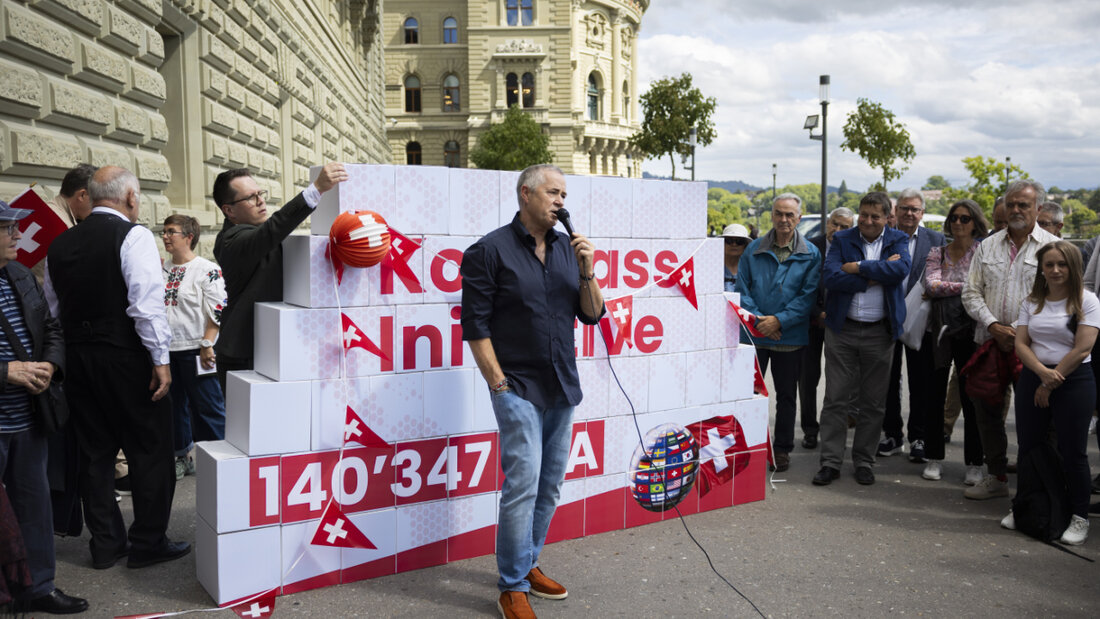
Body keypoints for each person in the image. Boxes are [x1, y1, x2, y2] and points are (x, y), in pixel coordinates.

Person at [460, 164, 605, 619]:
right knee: (522, 484)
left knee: (551, 483)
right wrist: (499, 385)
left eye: (564, 193)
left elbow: (592, 316)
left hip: (562, 383)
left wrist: (588, 271)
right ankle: (511, 585)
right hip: (517, 386)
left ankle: (527, 562)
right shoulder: (488, 251)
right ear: (526, 194)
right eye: (552, 192)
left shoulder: (567, 248)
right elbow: (475, 328)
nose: (561, 201)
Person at [43, 166, 189, 569]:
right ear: (129, 197)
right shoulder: (133, 235)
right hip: (125, 356)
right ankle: (148, 542)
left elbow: (52, 311)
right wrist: (160, 360)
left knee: (94, 454)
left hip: (78, 359)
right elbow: (145, 306)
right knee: (150, 450)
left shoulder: (60, 244)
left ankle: (106, 544)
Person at [0, 200, 88, 613]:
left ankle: (38, 588)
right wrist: (5, 372)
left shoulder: (19, 274)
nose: (17, 235)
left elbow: (51, 327)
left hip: (28, 418)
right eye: (7, 228)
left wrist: (50, 365)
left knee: (34, 508)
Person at [961, 179, 1059, 500]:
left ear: (1038, 209)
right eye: (1012, 204)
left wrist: (1016, 328)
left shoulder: (1051, 248)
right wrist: (993, 326)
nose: (1016, 210)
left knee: (1036, 416)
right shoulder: (987, 245)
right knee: (986, 412)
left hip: (1032, 346)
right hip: (989, 341)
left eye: (1024, 205)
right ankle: (997, 477)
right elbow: (970, 291)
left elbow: (1054, 296)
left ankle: (1037, 485)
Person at [212, 163, 347, 394]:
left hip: (272, 346)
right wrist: (315, 189)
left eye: (260, 194)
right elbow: (272, 230)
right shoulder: (230, 240)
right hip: (243, 354)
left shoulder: (256, 234)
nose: (260, 201)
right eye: (251, 198)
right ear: (229, 210)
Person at [1003, 240, 1098, 545]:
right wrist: (1042, 375)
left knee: (1073, 452)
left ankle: (1079, 516)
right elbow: (1021, 343)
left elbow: (1083, 346)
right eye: (1049, 265)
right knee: (1029, 447)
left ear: (1073, 267)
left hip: (1074, 381)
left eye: (1062, 264)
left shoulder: (1088, 300)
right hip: (1035, 375)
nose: (1055, 270)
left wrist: (1050, 381)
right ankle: (1025, 507)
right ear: (1041, 269)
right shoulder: (1032, 301)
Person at [813, 192, 911, 487]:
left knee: (873, 403)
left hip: (880, 333)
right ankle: (830, 462)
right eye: (864, 215)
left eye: (875, 216)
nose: (868, 221)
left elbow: (901, 269)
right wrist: (874, 276)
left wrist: (858, 267)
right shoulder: (843, 239)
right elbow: (830, 276)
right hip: (842, 329)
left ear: (886, 218)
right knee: (835, 399)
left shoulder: (897, 240)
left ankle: (864, 461)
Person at [735, 193, 821, 472]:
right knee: (749, 394)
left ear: (799, 216)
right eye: (779, 213)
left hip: (790, 337)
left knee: (786, 397)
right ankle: (748, 445)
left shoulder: (811, 253)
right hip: (755, 335)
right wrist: (762, 321)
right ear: (771, 215)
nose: (784, 220)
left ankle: (781, 449)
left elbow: (807, 297)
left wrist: (779, 322)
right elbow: (742, 289)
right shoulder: (753, 249)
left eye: (790, 215)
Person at [921, 200, 988, 484]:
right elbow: (930, 285)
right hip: (938, 330)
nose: (959, 223)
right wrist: (967, 288)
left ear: (975, 223)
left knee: (971, 395)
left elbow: (984, 287)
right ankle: (934, 457)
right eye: (955, 218)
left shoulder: (982, 252)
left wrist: (950, 289)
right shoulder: (938, 252)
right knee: (934, 395)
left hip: (972, 332)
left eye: (965, 218)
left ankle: (974, 461)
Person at [880, 189, 946, 463]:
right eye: (905, 208)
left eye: (915, 209)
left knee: (921, 381)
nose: (909, 213)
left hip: (921, 322)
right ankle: (892, 434)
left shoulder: (936, 240)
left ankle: (918, 436)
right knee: (887, 380)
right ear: (896, 212)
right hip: (886, 319)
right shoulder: (884, 239)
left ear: (922, 213)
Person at [161, 215, 227, 480]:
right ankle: (181, 457)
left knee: (208, 406)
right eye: (163, 232)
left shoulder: (207, 269)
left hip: (197, 349)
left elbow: (217, 310)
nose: (165, 236)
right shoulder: (160, 268)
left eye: (171, 232)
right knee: (174, 407)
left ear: (189, 237)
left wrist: (207, 343)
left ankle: (221, 460)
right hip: (166, 350)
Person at [799, 207, 853, 448]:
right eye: (834, 224)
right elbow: (799, 285)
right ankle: (810, 429)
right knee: (808, 378)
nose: (837, 230)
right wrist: (817, 312)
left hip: (841, 321)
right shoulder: (811, 246)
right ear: (827, 223)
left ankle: (835, 429)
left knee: (838, 379)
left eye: (844, 227)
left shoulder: (854, 249)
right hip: (811, 321)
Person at [721, 223, 751, 292]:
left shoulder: (751, 270)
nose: (734, 244)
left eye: (739, 241)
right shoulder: (712, 268)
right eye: (729, 240)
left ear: (745, 245)